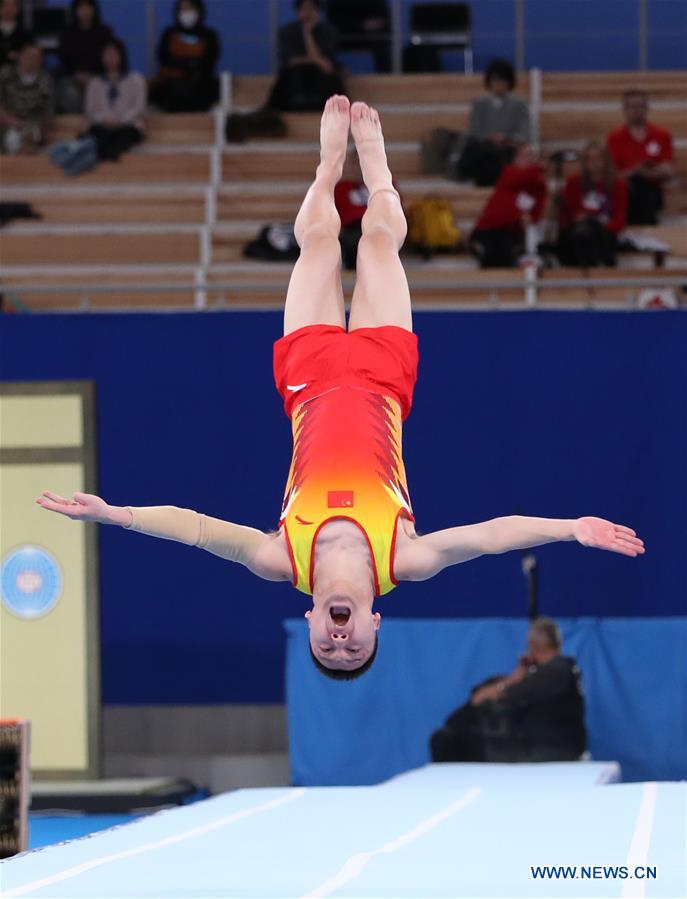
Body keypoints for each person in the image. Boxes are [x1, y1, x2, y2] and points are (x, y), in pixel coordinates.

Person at [37, 97, 645, 679]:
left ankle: (328, 165)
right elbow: (491, 535)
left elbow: (195, 528)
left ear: (308, 622)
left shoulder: (282, 559)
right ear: (375, 623)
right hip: (383, 379)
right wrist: (569, 527)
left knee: (319, 243)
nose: (340, 641)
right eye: (354, 651)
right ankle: (377, 170)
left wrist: (117, 515)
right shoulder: (404, 559)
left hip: (310, 381)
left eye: (327, 651)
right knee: (379, 243)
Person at [431, 618, 587, 763]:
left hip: (551, 748)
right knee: (452, 733)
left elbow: (501, 693)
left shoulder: (554, 672)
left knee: (448, 742)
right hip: (545, 744)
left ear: (533, 645)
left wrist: (506, 683)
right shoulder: (558, 669)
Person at [50, 38, 145, 175]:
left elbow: (138, 108)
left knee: (124, 136)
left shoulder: (136, 79)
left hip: (127, 125)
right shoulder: (94, 82)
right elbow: (90, 110)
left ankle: (92, 159)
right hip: (101, 125)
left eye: (114, 54)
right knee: (97, 134)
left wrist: (121, 120)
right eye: (107, 54)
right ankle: (101, 157)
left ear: (121, 55)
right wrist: (105, 119)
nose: (110, 58)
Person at [470, 143, 546, 268]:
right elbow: (521, 178)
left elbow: (537, 209)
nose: (528, 159)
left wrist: (530, 218)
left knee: (506, 245)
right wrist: (539, 168)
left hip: (512, 231)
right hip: (490, 229)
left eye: (532, 156)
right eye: (525, 155)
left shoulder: (538, 186)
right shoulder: (509, 173)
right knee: (498, 244)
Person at [459, 58, 531, 187]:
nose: (499, 84)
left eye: (503, 80)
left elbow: (524, 132)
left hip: (507, 149)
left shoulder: (519, 105)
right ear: (489, 82)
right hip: (484, 149)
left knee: (498, 158)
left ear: (509, 83)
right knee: (480, 153)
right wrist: (491, 138)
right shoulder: (479, 104)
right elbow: (475, 130)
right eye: (496, 80)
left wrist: (507, 139)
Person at [607, 90, 674, 226]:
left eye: (640, 106)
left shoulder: (661, 134)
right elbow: (612, 174)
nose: (637, 110)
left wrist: (651, 171)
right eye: (632, 106)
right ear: (625, 109)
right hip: (626, 191)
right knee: (634, 187)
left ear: (647, 108)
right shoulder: (614, 138)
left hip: (653, 189)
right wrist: (636, 171)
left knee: (643, 189)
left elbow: (668, 169)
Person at [266, 0, 345, 112]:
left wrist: (308, 34)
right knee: (290, 74)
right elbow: (290, 61)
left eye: (312, 9)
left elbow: (327, 65)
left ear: (318, 11)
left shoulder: (328, 31)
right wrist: (317, 60)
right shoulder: (287, 31)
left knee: (328, 76)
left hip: (320, 77)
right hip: (295, 77)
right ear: (297, 11)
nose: (308, 13)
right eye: (304, 9)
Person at [558, 142, 628, 268]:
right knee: (583, 232)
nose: (594, 164)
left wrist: (597, 224)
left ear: (606, 161)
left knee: (591, 228)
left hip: (605, 233)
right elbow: (570, 217)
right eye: (589, 159)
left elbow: (619, 221)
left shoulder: (618, 185)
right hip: (577, 234)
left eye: (598, 159)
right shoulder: (573, 183)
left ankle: (593, 271)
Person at [149, 0, 219, 113]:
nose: (186, 13)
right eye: (182, 9)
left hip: (200, 85)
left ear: (198, 10)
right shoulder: (169, 33)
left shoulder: (209, 35)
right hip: (172, 86)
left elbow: (209, 60)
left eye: (189, 9)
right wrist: (188, 64)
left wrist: (188, 65)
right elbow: (163, 58)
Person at [56, 0, 114, 114]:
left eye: (88, 7)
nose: (85, 12)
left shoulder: (104, 32)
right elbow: (63, 58)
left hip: (99, 76)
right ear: (75, 11)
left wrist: (92, 76)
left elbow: (109, 57)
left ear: (94, 10)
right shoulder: (68, 32)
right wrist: (76, 75)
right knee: (70, 94)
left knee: (102, 90)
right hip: (72, 76)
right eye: (81, 8)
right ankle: (75, 126)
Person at [0, 41, 53, 153]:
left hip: (33, 125)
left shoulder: (45, 79)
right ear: (20, 56)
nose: (32, 60)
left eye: (37, 57)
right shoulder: (5, 75)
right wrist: (12, 122)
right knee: (12, 138)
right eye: (29, 56)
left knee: (32, 138)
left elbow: (48, 111)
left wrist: (37, 127)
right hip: (7, 123)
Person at [326, 0, 391, 73]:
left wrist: (374, 24)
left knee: (382, 41)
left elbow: (383, 18)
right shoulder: (337, 3)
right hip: (344, 37)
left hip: (370, 38)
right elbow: (335, 19)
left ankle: (384, 77)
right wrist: (362, 25)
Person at [0, 0, 30, 68]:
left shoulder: (24, 31)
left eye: (13, 5)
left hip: (19, 69)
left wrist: (20, 55)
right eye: (6, 5)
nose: (9, 9)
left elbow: (29, 50)